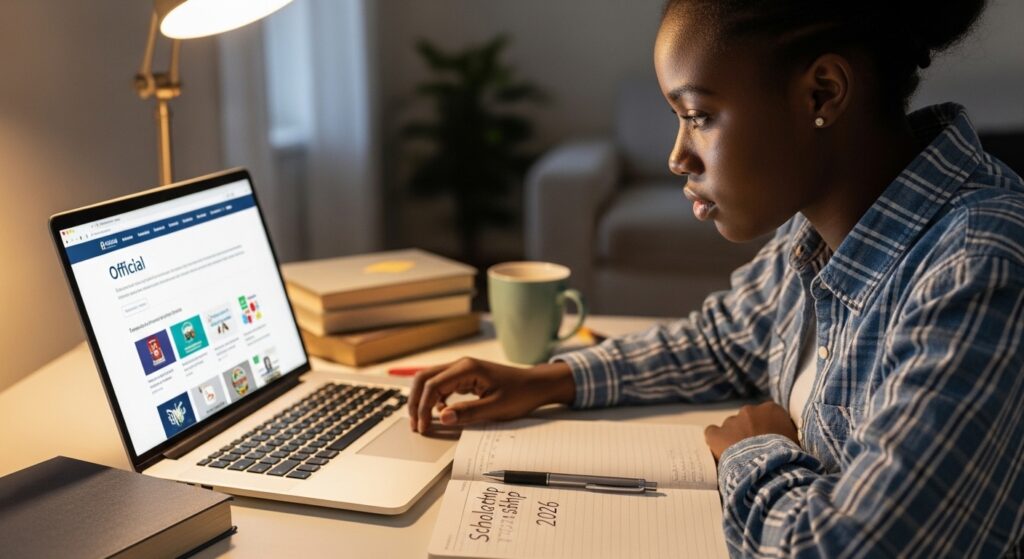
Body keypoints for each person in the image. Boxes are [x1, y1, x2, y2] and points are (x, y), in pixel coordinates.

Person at [408, 1, 1024, 556]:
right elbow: (724, 338)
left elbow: (850, 550)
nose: (677, 156)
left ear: (822, 94)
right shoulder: (818, 230)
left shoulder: (979, 265)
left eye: (698, 115)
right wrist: (548, 380)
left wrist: (753, 454)